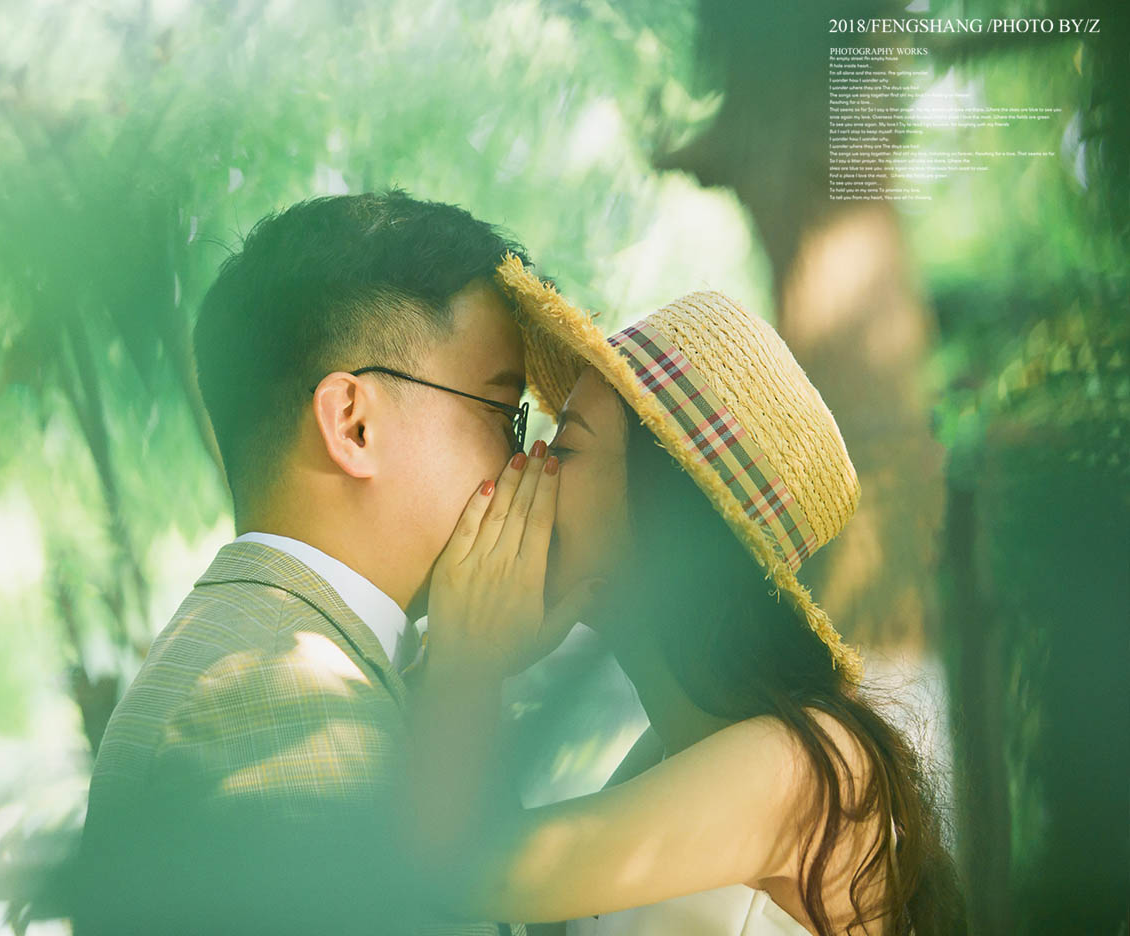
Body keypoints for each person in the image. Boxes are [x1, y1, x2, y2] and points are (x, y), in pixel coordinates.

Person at [407, 255, 967, 936]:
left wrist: (468, 665)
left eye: (568, 448)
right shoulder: (673, 745)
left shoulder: (808, 766)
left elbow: (466, 870)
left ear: (669, 518)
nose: (529, 468)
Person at [74, 189, 534, 936]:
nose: (523, 461)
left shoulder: (282, 657)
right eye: (502, 412)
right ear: (353, 424)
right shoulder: (276, 699)